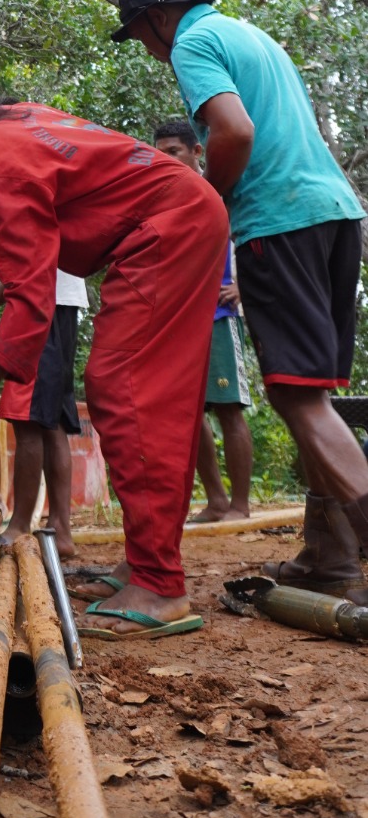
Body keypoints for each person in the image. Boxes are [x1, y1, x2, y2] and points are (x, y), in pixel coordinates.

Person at [0, 65, 229, 636]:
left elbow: (35, 302)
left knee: (127, 389)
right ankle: (144, 561)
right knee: (132, 389)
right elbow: (38, 256)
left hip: (170, 225)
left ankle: (161, 585)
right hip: (170, 219)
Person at [113, 0, 368, 600]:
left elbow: (235, 132)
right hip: (335, 213)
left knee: (297, 398)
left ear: (156, 18)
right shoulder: (250, 35)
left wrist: (213, 205)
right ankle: (329, 559)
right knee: (311, 394)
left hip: (278, 219)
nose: (148, 49)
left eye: (141, 36)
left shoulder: (193, 45)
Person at [153, 118, 253, 522]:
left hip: (219, 315)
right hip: (179, 320)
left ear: (197, 152)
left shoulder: (221, 191)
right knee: (189, 416)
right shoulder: (164, 198)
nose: (166, 160)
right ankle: (215, 500)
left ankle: (241, 505)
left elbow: (250, 235)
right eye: (159, 153)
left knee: (228, 409)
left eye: (173, 152)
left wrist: (244, 287)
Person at [0, 271, 88, 558]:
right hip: (60, 298)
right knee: (52, 422)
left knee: (29, 416)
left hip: (40, 300)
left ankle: (20, 526)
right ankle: (60, 530)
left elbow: (36, 258)